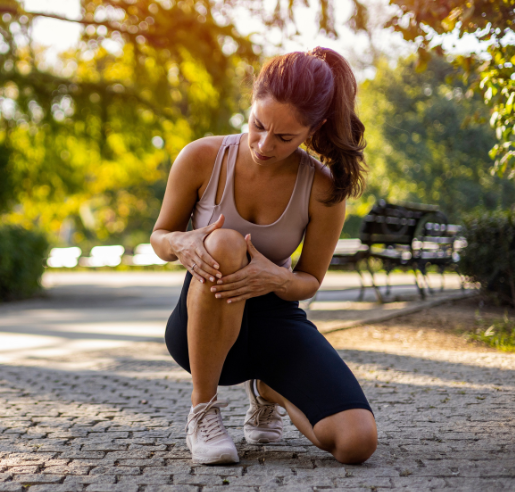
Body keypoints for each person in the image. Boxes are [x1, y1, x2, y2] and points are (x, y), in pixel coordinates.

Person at [150, 47, 377, 465]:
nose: (264, 144)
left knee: (356, 442)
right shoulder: (201, 157)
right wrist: (180, 243)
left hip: (276, 325)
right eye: (258, 125)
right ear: (252, 102)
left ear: (314, 128)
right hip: (201, 332)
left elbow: (309, 281)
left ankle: (270, 388)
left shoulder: (322, 188)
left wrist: (275, 279)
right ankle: (203, 412)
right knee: (224, 243)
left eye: (285, 137)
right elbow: (160, 236)